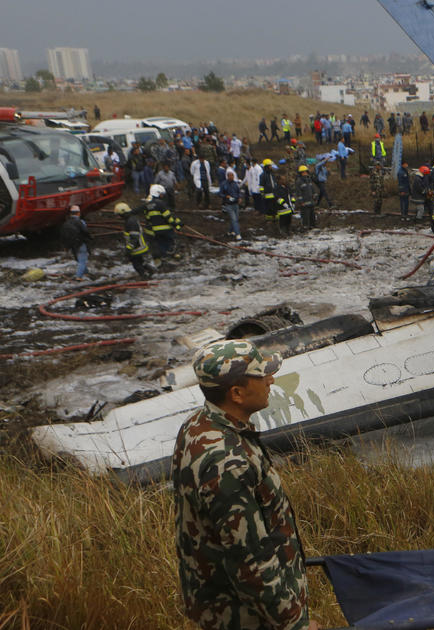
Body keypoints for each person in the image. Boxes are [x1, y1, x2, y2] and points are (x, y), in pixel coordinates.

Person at [172, 339, 314, 630]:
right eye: (261, 376)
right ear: (236, 393)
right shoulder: (227, 463)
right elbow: (251, 563)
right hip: (247, 618)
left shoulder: (199, 424)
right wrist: (294, 623)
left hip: (223, 607)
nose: (271, 380)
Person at [114, 202, 154, 279]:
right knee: (140, 261)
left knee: (136, 264)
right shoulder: (131, 219)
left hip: (137, 248)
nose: (118, 217)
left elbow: (134, 237)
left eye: (119, 215)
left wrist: (129, 248)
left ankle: (144, 277)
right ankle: (150, 270)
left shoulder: (130, 222)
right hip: (138, 246)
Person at [144, 184, 182, 258]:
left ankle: (161, 255)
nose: (163, 196)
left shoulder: (149, 204)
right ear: (157, 193)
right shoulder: (161, 204)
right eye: (162, 194)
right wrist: (177, 225)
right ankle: (169, 253)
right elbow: (168, 217)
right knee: (169, 240)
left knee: (160, 243)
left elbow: (148, 218)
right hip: (164, 229)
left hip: (153, 230)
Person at [59, 205, 92, 279]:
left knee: (80, 260)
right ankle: (78, 277)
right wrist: (90, 238)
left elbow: (63, 235)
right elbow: (85, 232)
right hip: (80, 243)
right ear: (78, 213)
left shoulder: (66, 224)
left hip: (72, 245)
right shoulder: (80, 222)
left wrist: (65, 246)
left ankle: (86, 272)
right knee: (82, 261)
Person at [219, 169, 243, 240]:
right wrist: (226, 196)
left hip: (236, 204)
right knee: (234, 219)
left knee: (235, 219)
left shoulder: (235, 184)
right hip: (228, 204)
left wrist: (240, 198)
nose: (232, 177)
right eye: (230, 176)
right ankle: (238, 234)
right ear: (227, 176)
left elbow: (238, 192)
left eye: (232, 176)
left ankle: (230, 231)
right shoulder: (224, 184)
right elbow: (220, 193)